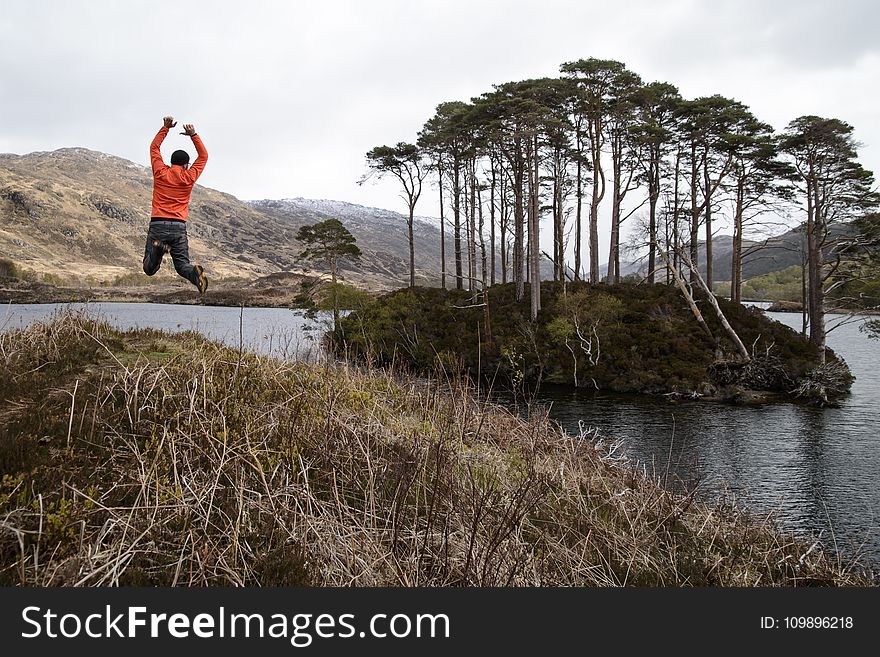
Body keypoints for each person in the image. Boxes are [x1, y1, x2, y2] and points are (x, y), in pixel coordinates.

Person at [142, 115, 209, 293]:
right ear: (187, 165)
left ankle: (158, 250)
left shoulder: (160, 172)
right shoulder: (189, 176)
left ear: (171, 162)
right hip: (178, 227)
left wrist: (165, 128)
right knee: (182, 266)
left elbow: (154, 148)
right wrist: (193, 135)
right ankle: (195, 275)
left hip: (158, 224)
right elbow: (204, 156)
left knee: (149, 269)